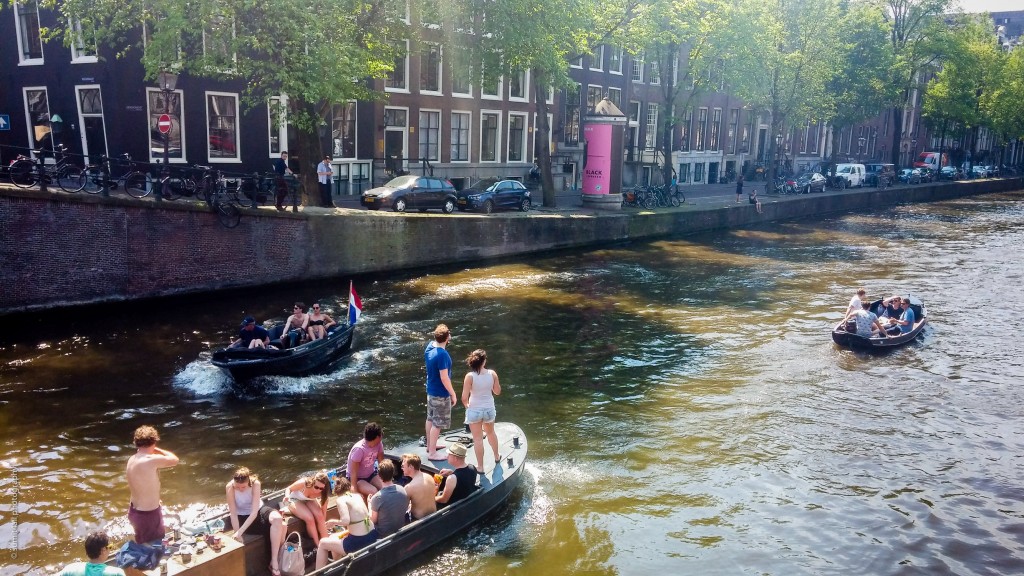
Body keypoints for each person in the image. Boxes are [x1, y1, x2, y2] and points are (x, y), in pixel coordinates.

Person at [225, 467, 286, 576]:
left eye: (243, 487)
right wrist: (237, 533)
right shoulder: (229, 487)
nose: (240, 489)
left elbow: (254, 513)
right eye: (237, 487)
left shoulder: (255, 484)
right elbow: (233, 514)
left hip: (257, 511)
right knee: (281, 527)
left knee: (278, 519)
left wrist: (240, 531)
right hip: (241, 516)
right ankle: (274, 562)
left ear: (248, 481)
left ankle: (274, 560)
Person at [125, 425, 178, 544]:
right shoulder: (149, 460)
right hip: (147, 515)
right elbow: (174, 459)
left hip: (135, 511)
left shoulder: (132, 459)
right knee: (155, 549)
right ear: (153, 442)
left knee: (144, 546)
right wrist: (157, 449)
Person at [314, 477, 378, 569]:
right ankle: (338, 565)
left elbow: (346, 521)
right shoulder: (357, 496)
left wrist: (333, 522)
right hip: (372, 535)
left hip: (358, 541)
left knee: (322, 543)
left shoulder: (340, 500)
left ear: (336, 490)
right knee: (332, 537)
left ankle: (317, 573)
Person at [462, 349, 502, 472]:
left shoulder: (470, 376)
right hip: (489, 409)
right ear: (483, 361)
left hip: (475, 410)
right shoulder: (492, 374)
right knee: (491, 433)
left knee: (478, 439)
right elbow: (497, 392)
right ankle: (496, 456)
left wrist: (468, 407)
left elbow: (464, 398)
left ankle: (480, 467)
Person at [424, 324, 458, 460]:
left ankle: (429, 445)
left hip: (430, 390)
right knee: (437, 424)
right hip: (440, 393)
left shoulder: (429, 347)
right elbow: (444, 378)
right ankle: (432, 453)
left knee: (430, 419)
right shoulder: (442, 355)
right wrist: (453, 393)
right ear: (447, 338)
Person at [284, 471, 330, 543]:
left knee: (320, 516)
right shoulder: (304, 483)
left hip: (309, 500)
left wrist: (322, 525)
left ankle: (327, 542)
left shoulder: (323, 493)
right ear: (313, 482)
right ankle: (317, 544)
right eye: (316, 487)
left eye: (321, 488)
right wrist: (286, 496)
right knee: (309, 518)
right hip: (294, 499)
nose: (318, 490)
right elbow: (288, 489)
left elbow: (323, 513)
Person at [368, 460, 409, 537]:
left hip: (382, 534)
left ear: (379, 476)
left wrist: (369, 504)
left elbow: (373, 520)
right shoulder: (403, 489)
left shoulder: (376, 498)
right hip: (401, 528)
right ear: (392, 473)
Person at [59, 530, 126, 576]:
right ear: (103, 550)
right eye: (110, 547)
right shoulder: (116, 573)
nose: (110, 550)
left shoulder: (70, 569)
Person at [347, 422, 385, 501]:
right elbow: (353, 472)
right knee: (374, 492)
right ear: (376, 437)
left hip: (371, 474)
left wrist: (386, 478)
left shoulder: (379, 443)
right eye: (380, 435)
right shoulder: (359, 449)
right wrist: (354, 489)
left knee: (386, 488)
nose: (382, 436)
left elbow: (381, 462)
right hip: (358, 478)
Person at [435, 442, 478, 507]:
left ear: (455, 458)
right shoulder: (473, 468)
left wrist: (430, 499)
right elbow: (463, 477)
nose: (447, 456)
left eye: (449, 455)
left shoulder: (451, 479)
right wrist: (451, 472)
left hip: (453, 505)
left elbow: (444, 500)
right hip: (465, 497)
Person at [399, 454, 437, 520]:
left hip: (418, 522)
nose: (402, 468)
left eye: (403, 466)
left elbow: (402, 508)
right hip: (434, 516)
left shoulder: (409, 487)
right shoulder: (430, 477)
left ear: (411, 466)